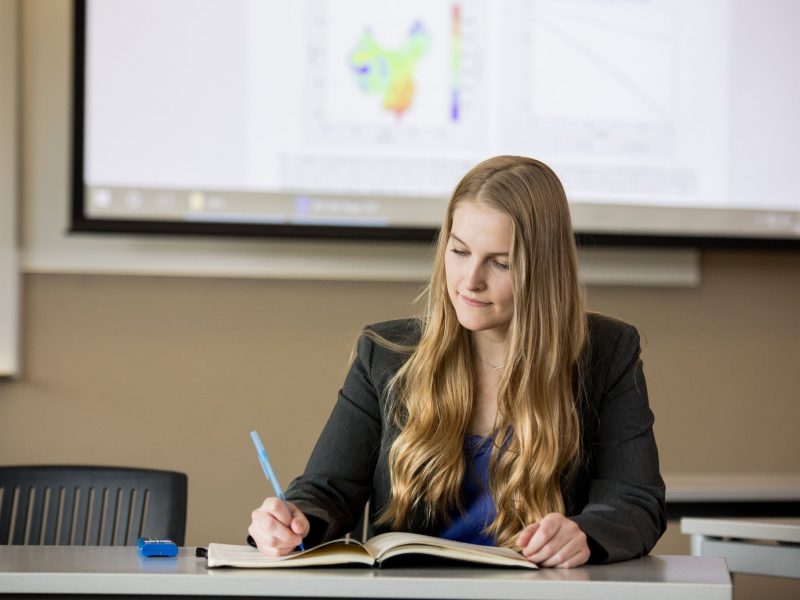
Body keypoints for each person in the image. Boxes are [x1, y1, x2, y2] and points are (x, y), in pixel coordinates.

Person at [248, 155, 666, 567]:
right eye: (460, 252)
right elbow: (327, 492)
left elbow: (635, 503)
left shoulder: (607, 353)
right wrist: (291, 521)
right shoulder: (386, 354)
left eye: (500, 263)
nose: (470, 281)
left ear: (543, 271)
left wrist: (584, 536)